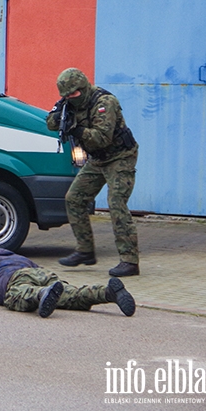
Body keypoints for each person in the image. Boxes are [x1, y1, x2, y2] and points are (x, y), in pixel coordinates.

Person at [47, 68, 140, 277]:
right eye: (67, 96)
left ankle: (130, 260)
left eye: (74, 94)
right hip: (98, 159)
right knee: (74, 198)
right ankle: (85, 250)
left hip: (120, 157)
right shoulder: (68, 104)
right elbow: (50, 123)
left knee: (116, 202)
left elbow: (101, 138)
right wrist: (60, 113)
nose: (71, 99)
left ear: (83, 87)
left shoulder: (104, 103)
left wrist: (76, 129)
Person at [0, 248, 136, 318]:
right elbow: (37, 272)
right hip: (41, 272)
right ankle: (107, 292)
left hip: (14, 278)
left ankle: (41, 295)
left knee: (19, 294)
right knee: (69, 294)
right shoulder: (18, 256)